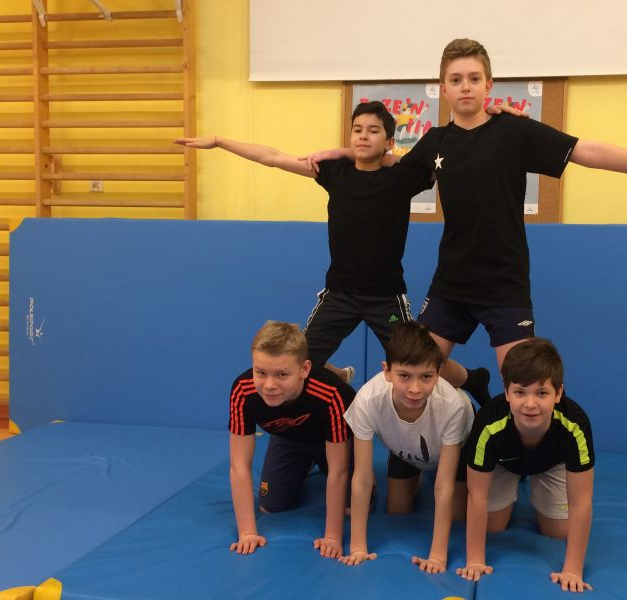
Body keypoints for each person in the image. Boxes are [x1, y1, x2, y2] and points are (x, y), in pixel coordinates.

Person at [306, 39, 627, 381]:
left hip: (504, 283)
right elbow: (388, 164)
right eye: (456, 80)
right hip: (451, 283)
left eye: (474, 78)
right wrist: (344, 152)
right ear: (443, 88)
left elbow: (587, 151)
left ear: (489, 85)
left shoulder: (514, 131)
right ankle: (472, 385)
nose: (465, 87)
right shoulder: (435, 141)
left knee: (522, 384)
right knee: (415, 369)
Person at [175, 101, 491, 404]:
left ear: (389, 142)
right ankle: (339, 376)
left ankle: (471, 378)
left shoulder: (401, 178)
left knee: (419, 361)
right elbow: (272, 157)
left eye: (373, 131)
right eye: (357, 130)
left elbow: (441, 160)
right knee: (299, 361)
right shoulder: (334, 172)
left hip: (386, 297)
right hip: (339, 294)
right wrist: (219, 141)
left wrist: (354, 152)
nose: (363, 136)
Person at [458, 338, 595, 593]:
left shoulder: (575, 424)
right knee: (493, 527)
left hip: (551, 463)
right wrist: (475, 560)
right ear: (507, 392)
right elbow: (477, 496)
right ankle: (518, 478)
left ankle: (534, 481)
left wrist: (573, 569)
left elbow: (581, 501)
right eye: (520, 392)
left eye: (541, 393)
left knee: (558, 532)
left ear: (558, 393)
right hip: (504, 463)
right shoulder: (489, 422)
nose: (530, 404)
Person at [340, 322, 474, 573]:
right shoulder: (368, 399)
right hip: (404, 447)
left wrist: (438, 556)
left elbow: (443, 484)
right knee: (397, 513)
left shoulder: (452, 406)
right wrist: (358, 546)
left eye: (426, 377)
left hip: (457, 448)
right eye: (404, 376)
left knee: (458, 518)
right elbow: (362, 477)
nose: (415, 389)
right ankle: (416, 473)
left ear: (438, 373)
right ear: (387, 371)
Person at [227, 320, 354, 559]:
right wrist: (247, 533)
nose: (269, 385)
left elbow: (339, 470)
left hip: (333, 440)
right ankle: (303, 465)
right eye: (260, 372)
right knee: (270, 506)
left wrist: (332, 536)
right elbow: (239, 465)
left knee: (352, 508)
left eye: (282, 374)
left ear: (304, 369)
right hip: (290, 437)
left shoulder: (331, 394)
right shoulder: (243, 390)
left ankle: (336, 373)